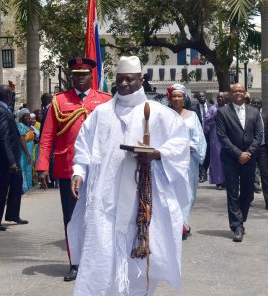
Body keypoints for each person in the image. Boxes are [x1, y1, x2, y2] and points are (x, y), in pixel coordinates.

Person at [68, 55, 190, 296]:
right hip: (105, 199)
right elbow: (83, 146)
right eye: (120, 80)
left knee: (138, 251)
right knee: (102, 252)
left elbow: (180, 144)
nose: (124, 85)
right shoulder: (101, 113)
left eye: (130, 80)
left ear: (141, 80)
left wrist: (158, 154)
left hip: (141, 199)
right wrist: (78, 172)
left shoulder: (159, 113)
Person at [36, 57, 112, 281]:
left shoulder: (105, 101)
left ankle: (97, 262)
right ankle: (75, 263)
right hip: (68, 169)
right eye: (76, 74)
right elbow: (47, 136)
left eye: (84, 74)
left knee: (98, 216)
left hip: (99, 170)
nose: (80, 77)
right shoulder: (60, 102)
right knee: (71, 218)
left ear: (91, 76)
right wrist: (42, 166)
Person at [216, 83, 263, 242]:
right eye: (235, 91)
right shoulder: (222, 112)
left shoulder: (254, 112)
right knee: (232, 192)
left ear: (245, 93)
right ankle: (237, 225)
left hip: (250, 159)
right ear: (230, 94)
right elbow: (222, 137)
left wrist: (248, 153)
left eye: (240, 91)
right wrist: (238, 154)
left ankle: (240, 218)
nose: (238, 93)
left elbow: (259, 135)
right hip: (231, 158)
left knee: (248, 193)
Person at [167, 83, 206, 240]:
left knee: (188, 192)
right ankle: (174, 224)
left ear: (185, 98)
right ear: (170, 98)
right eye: (174, 96)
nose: (177, 99)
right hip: (169, 160)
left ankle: (184, 223)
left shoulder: (192, 116)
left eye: (180, 96)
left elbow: (199, 138)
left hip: (188, 161)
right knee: (171, 192)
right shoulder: (165, 114)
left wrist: (190, 146)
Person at [0, 85, 28, 231]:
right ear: (7, 96)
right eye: (11, 95)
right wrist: (11, 161)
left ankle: (13, 214)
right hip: (6, 158)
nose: (12, 97)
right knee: (1, 188)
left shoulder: (3, 107)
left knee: (17, 183)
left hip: (11, 156)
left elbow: (8, 133)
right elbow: (2, 137)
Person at [249, 97, 268, 210]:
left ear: (261, 105)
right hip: (251, 149)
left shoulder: (265, 116)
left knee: (266, 175)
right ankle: (248, 199)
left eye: (258, 103)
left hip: (263, 149)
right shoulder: (247, 116)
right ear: (251, 104)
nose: (256, 105)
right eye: (254, 103)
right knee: (249, 175)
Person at [204, 91, 228, 190]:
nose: (220, 99)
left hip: (228, 137)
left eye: (222, 97)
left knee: (227, 159)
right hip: (216, 138)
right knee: (217, 159)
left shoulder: (228, 108)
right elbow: (206, 120)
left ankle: (226, 181)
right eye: (219, 97)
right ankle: (218, 181)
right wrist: (214, 116)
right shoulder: (212, 109)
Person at [192, 91, 213, 183]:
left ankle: (205, 171)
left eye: (203, 96)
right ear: (197, 98)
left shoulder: (211, 107)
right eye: (199, 96)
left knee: (208, 154)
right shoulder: (193, 108)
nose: (201, 98)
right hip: (199, 134)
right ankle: (202, 174)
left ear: (205, 97)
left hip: (210, 134)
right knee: (201, 153)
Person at [17, 108, 39, 192]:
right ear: (21, 117)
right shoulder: (20, 126)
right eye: (25, 116)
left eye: (28, 116)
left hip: (30, 152)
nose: (28, 118)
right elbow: (22, 140)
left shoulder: (29, 127)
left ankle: (29, 190)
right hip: (24, 153)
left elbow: (36, 138)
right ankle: (24, 190)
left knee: (28, 172)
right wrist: (28, 154)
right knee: (23, 171)